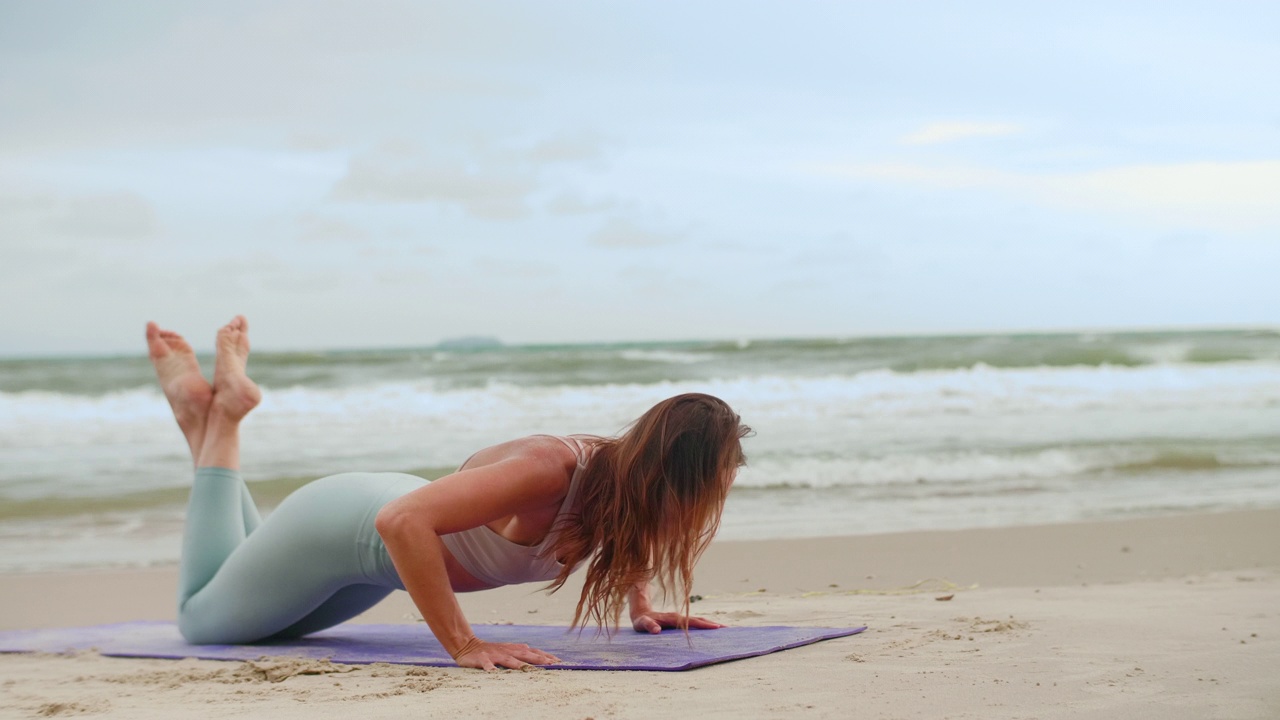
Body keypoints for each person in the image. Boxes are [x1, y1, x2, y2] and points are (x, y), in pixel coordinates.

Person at [146, 316, 750, 671]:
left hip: (371, 563)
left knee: (267, 628)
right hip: (344, 528)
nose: (717, 497)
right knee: (204, 623)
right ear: (680, 476)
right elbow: (402, 520)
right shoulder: (550, 468)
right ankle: (221, 420)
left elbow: (628, 524)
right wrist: (464, 644)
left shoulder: (627, 487)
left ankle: (203, 415)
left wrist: (640, 607)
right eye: (716, 483)